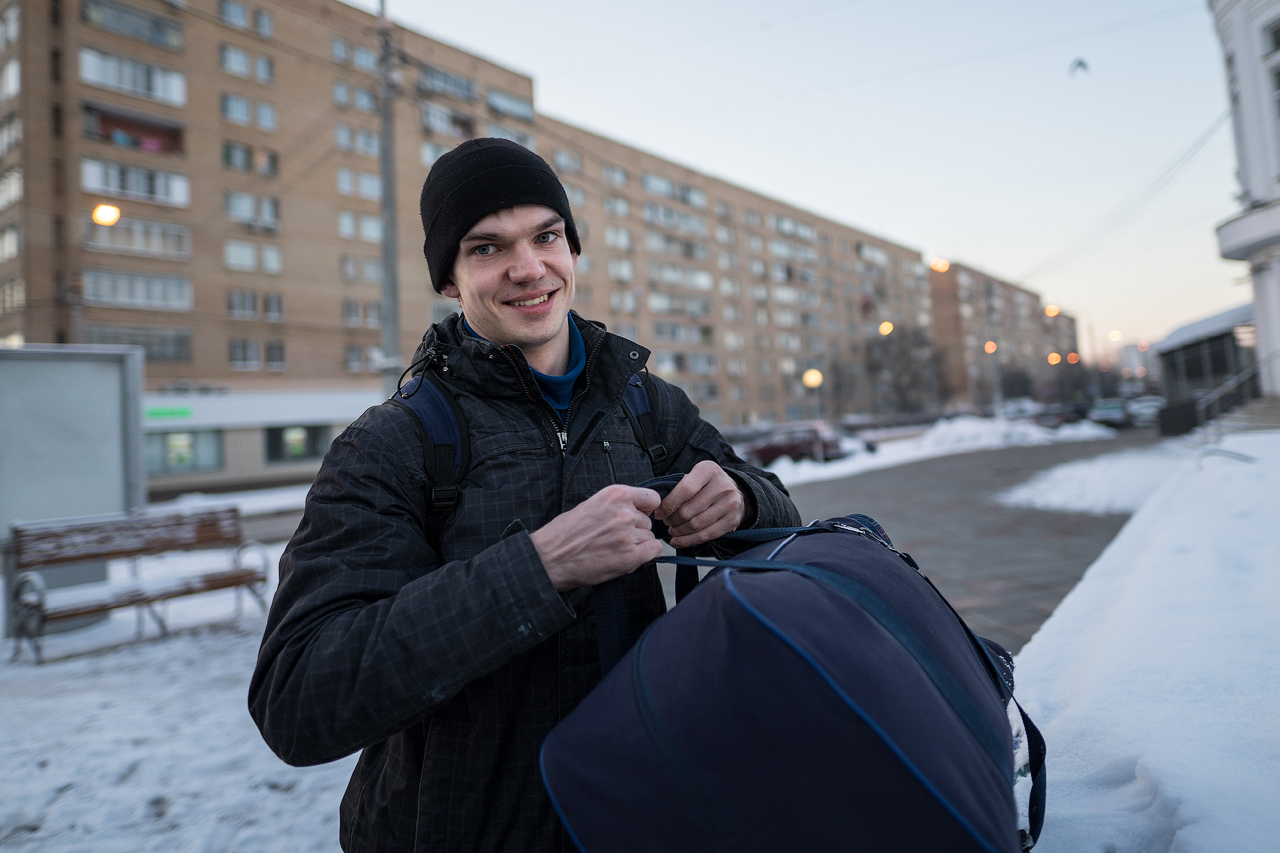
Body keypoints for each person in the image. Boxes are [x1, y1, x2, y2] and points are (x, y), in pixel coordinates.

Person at [248, 138, 801, 852]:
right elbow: (300, 700)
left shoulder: (645, 405)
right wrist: (542, 565)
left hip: (637, 815)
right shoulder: (391, 444)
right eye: (487, 247)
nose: (527, 267)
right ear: (449, 278)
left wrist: (742, 499)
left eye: (547, 236)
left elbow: (782, 514)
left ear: (572, 250)